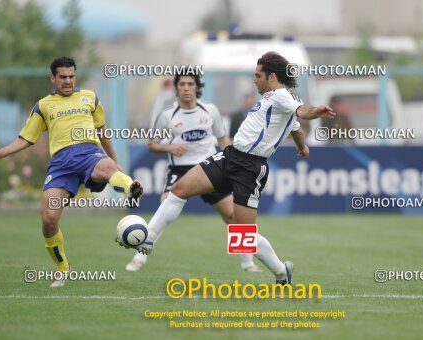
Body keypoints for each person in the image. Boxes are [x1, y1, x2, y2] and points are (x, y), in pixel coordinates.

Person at [119, 52, 336, 284]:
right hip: (230, 156)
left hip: (250, 168)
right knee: (179, 189)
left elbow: (303, 112)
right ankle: (148, 238)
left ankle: (282, 271)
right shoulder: (274, 99)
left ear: (271, 76)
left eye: (257, 75)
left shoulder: (283, 97)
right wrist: (303, 148)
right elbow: (296, 129)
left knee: (243, 236)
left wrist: (316, 112)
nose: (254, 80)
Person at [0, 57, 143, 287]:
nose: (68, 81)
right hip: (61, 163)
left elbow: (102, 131)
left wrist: (115, 158)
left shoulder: (90, 98)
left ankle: (130, 189)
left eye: (72, 76)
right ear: (53, 78)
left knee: (109, 168)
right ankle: (62, 268)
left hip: (88, 153)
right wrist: (1, 153)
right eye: (63, 77)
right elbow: (27, 138)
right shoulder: (43, 105)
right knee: (49, 219)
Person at [125, 71, 261, 272]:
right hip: (180, 170)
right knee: (165, 207)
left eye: (190, 84)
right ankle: (140, 257)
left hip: (210, 168)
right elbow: (152, 145)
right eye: (182, 84)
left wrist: (232, 163)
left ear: (197, 87)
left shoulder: (210, 110)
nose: (186, 88)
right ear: (176, 88)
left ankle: (247, 263)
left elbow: (223, 139)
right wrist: (169, 147)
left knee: (233, 215)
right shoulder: (167, 116)